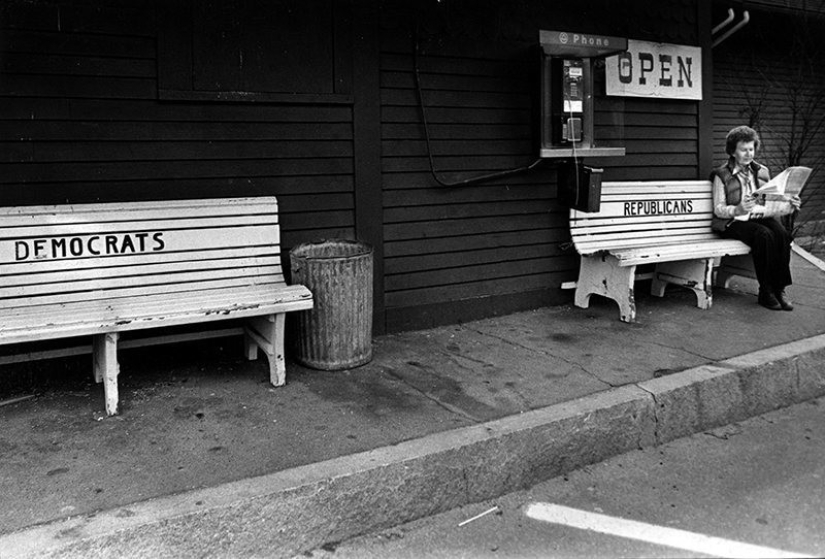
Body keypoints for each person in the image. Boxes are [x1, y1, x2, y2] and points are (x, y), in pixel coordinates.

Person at [711, 125, 801, 311]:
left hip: (757, 217)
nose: (748, 153)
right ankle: (765, 291)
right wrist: (737, 209)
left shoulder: (762, 172)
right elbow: (718, 209)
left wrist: (788, 204)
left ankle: (779, 289)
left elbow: (769, 200)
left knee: (782, 234)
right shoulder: (721, 175)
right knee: (763, 235)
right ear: (732, 151)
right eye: (743, 149)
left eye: (751, 149)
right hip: (733, 222)